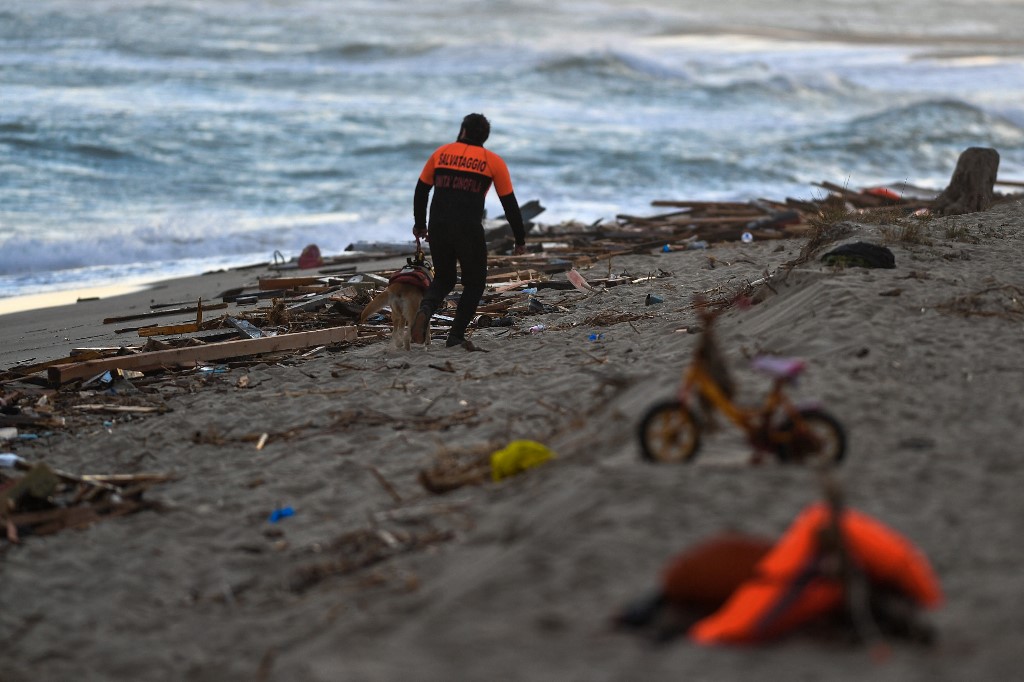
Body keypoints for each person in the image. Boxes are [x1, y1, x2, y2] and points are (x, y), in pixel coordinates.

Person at [411, 113, 526, 348]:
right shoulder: (493, 162)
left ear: (463, 131)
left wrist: (420, 225)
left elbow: (421, 190)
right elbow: (509, 204)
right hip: (468, 229)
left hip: (438, 226)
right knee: (474, 283)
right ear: (485, 136)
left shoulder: (440, 154)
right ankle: (455, 336)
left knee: (444, 277)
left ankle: (425, 308)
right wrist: (520, 239)